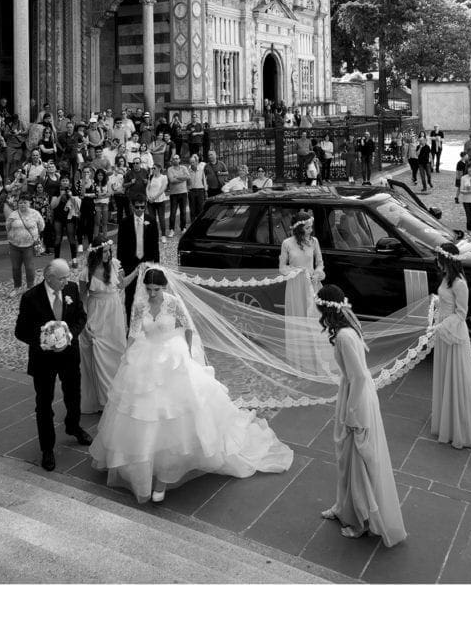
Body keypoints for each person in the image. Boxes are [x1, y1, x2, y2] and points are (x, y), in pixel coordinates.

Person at [89, 266, 293, 503]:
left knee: (178, 414)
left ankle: (165, 475)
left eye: (156, 289)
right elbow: (134, 333)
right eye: (149, 289)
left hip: (173, 358)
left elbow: (187, 327)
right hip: (146, 358)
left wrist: (186, 351)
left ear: (164, 287)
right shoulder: (139, 306)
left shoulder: (173, 303)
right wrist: (127, 357)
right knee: (142, 414)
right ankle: (145, 464)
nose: (152, 293)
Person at [315, 285, 406, 544]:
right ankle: (344, 506)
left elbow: (357, 377)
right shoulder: (348, 329)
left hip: (356, 398)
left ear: (325, 308)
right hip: (353, 392)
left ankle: (361, 521)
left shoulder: (343, 336)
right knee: (346, 459)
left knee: (356, 461)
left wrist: (353, 414)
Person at [14, 259, 91, 472]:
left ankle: (73, 426)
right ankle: (47, 448)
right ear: (49, 278)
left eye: (68, 276)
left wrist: (69, 335)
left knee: (73, 394)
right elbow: (20, 331)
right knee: (44, 403)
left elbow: (81, 317)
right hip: (43, 359)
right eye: (62, 278)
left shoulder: (72, 289)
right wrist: (44, 340)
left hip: (68, 355)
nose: (67, 281)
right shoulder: (31, 297)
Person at [431, 244, 471, 449]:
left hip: (453, 333)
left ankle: (459, 424)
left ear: (446, 260)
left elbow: (462, 313)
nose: (437, 262)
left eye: (439, 258)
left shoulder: (459, 283)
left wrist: (441, 326)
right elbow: (447, 303)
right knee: (445, 375)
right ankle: (447, 418)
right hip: (443, 332)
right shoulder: (447, 278)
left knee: (456, 377)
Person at [279, 211, 333, 377]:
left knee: (316, 320)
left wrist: (318, 273)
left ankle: (319, 359)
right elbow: (282, 268)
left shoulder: (314, 241)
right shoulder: (287, 243)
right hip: (296, 286)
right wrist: (297, 271)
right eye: (307, 227)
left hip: (313, 284)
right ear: (299, 228)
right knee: (299, 319)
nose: (310, 230)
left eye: (311, 227)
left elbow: (320, 263)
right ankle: (301, 360)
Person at [78, 238, 128, 413]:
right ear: (96, 253)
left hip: (114, 314)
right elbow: (82, 299)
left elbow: (122, 285)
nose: (108, 254)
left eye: (109, 251)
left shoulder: (115, 265)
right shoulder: (85, 273)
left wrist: (137, 272)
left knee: (117, 351)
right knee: (98, 354)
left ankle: (118, 395)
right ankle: (104, 400)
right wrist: (85, 323)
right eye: (105, 251)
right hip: (96, 313)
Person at [117, 195, 160, 329]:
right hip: (130, 264)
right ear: (132, 206)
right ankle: (131, 326)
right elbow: (121, 246)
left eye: (143, 207)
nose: (140, 209)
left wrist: (156, 265)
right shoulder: (125, 222)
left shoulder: (151, 221)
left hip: (146, 263)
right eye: (137, 207)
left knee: (148, 294)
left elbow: (155, 245)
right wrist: (120, 266)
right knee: (130, 296)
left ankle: (147, 324)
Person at [6, 192, 45, 296]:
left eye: (25, 202)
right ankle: (17, 287)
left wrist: (35, 235)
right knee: (15, 267)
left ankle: (30, 287)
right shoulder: (13, 215)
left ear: (29, 203)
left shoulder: (35, 213)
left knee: (29, 267)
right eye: (20, 203)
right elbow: (8, 227)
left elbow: (41, 226)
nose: (22, 205)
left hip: (29, 245)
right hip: (14, 245)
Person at [49, 175, 81, 263]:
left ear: (69, 182)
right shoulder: (56, 191)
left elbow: (78, 205)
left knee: (71, 237)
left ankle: (74, 259)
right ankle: (56, 259)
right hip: (58, 217)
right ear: (60, 182)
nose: (65, 182)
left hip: (70, 217)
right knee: (58, 237)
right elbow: (52, 205)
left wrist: (71, 196)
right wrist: (60, 195)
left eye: (66, 180)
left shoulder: (73, 190)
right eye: (63, 180)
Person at [166, 154, 190, 235]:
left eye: (177, 158)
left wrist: (177, 177)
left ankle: (183, 228)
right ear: (172, 161)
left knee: (183, 212)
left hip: (183, 192)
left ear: (179, 160)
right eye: (174, 159)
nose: (175, 160)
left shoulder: (184, 168)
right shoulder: (169, 169)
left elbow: (188, 177)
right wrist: (182, 178)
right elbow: (172, 180)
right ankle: (171, 229)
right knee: (173, 212)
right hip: (174, 194)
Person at [146, 163, 168, 244]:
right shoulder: (151, 176)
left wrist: (154, 198)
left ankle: (163, 236)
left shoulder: (163, 177)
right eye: (152, 168)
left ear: (159, 169)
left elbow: (162, 189)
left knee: (161, 218)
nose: (153, 170)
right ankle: (154, 235)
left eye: (154, 168)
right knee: (152, 219)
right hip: (150, 201)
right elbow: (147, 187)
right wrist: (148, 197)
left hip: (160, 201)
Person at [187, 154, 207, 223]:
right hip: (191, 191)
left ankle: (200, 222)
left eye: (193, 162)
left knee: (201, 208)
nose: (192, 164)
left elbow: (204, 180)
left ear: (196, 162)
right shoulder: (188, 171)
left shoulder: (201, 170)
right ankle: (193, 222)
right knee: (192, 208)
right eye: (191, 162)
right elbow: (186, 181)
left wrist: (206, 190)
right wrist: (188, 190)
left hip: (200, 190)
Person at [93, 169, 110, 238]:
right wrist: (103, 195)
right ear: (96, 175)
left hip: (105, 204)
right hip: (97, 204)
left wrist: (101, 195)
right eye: (99, 175)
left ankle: (105, 239)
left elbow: (109, 194)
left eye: (102, 175)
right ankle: (95, 239)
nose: (100, 176)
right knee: (97, 223)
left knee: (105, 223)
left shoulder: (107, 183)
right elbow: (94, 195)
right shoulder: (93, 183)